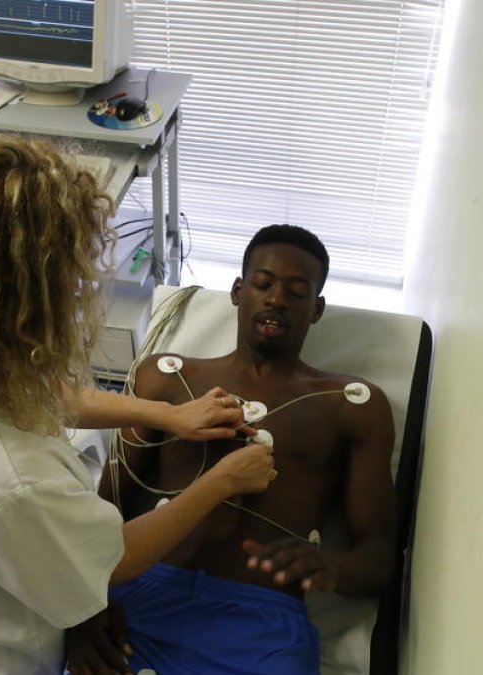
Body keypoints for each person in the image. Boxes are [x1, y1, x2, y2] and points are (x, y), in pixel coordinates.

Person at [0, 135, 278, 675]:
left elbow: (26, 393)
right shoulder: (3, 482)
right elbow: (111, 562)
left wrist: (166, 415)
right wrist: (222, 481)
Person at [67, 225, 397, 675]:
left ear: (316, 309)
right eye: (263, 284)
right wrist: (82, 614)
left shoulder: (352, 406)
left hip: (263, 631)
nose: (277, 299)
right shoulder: (168, 380)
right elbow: (103, 515)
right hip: (139, 602)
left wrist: (332, 568)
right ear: (238, 292)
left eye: (297, 291)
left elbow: (380, 558)